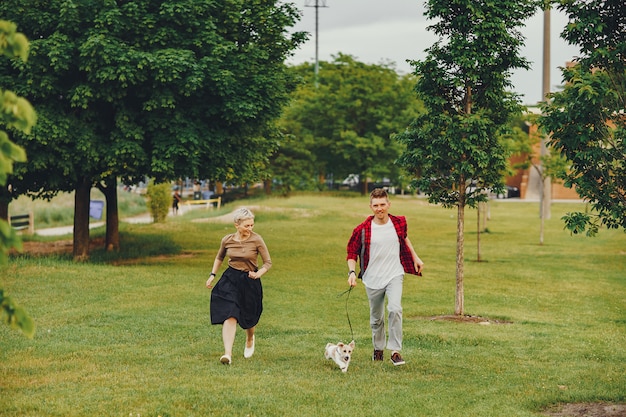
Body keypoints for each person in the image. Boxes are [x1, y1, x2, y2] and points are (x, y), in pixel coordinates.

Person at [346, 188, 424, 366]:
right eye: (376, 205)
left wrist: (415, 257)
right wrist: (351, 272)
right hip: (372, 278)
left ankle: (395, 351)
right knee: (376, 318)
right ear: (371, 206)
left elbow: (404, 238)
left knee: (395, 309)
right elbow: (352, 253)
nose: (380, 208)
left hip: (394, 274)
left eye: (383, 204)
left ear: (388, 204)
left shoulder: (398, 223)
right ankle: (378, 349)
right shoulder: (362, 229)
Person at [206, 207, 272, 365]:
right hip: (231, 278)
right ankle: (227, 354)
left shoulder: (257, 240)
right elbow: (219, 257)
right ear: (237, 225)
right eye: (246, 226)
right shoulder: (227, 240)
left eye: (252, 225)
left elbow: (268, 263)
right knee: (230, 313)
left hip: (250, 280)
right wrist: (212, 275)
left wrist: (258, 273)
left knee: (249, 316)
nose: (250, 229)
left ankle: (250, 337)